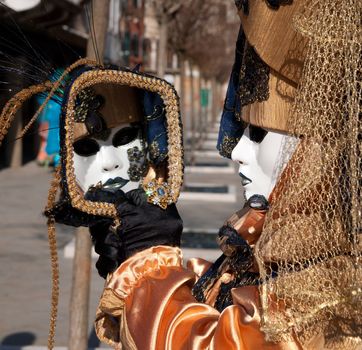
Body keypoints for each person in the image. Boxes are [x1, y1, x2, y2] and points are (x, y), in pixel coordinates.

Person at [90, 1, 361, 349]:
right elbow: (222, 306)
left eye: (260, 133)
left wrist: (147, 267)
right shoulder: (280, 244)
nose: (236, 150)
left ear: (321, 151)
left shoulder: (332, 282)